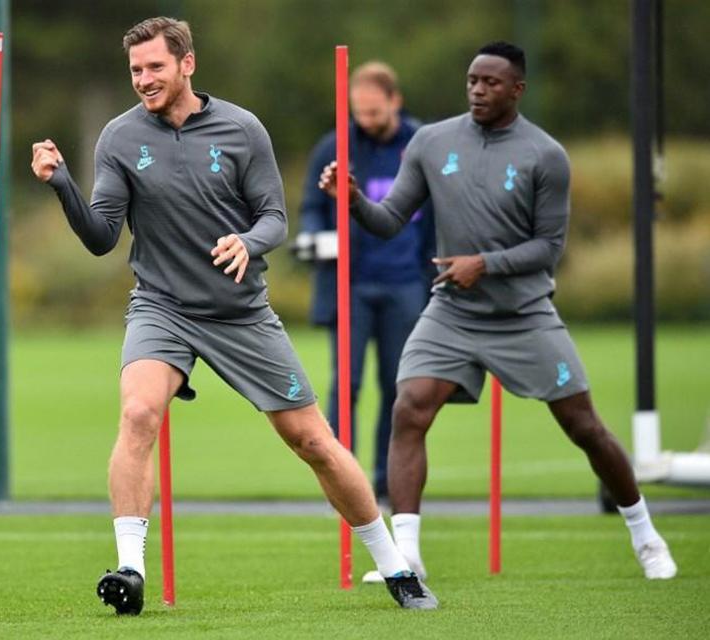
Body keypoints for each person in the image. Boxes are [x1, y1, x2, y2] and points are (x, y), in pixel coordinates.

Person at [30, 16, 438, 614]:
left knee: (312, 441)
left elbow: (275, 216)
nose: (143, 79)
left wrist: (249, 241)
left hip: (240, 312)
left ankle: (396, 567)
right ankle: (130, 570)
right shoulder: (118, 138)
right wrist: (63, 184)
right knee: (139, 412)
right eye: (136, 70)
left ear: (187, 63)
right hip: (161, 305)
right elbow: (101, 237)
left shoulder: (242, 128)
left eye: (155, 68)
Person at [320, 41, 677, 582]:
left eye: (490, 82)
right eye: (472, 81)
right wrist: (353, 202)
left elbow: (548, 247)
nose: (478, 90)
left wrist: (482, 264)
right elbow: (391, 218)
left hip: (525, 315)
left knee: (584, 427)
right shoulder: (432, 142)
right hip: (453, 311)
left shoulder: (545, 155)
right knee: (409, 408)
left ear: (517, 89)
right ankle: (407, 555)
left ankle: (645, 535)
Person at [299, 62, 434, 509]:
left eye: (375, 112)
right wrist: (317, 237)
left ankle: (385, 477)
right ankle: (343, 475)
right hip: (350, 285)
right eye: (359, 113)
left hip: (406, 282)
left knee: (400, 388)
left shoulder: (420, 144)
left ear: (395, 101)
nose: (366, 121)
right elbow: (311, 209)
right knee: (347, 383)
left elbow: (439, 207)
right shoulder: (334, 146)